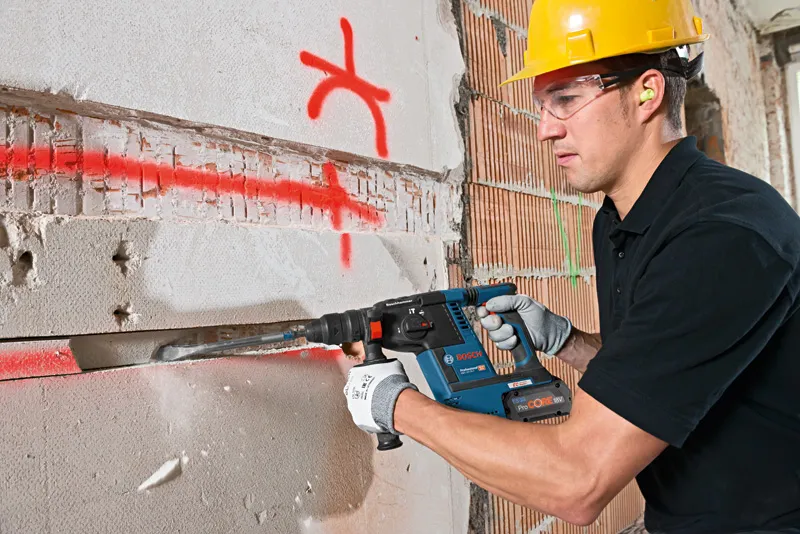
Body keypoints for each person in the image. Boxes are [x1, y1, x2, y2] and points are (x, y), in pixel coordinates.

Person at [341, 1, 800, 532]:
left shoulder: (720, 236)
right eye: (542, 105)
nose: (544, 129)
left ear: (647, 92)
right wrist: (568, 342)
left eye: (565, 99)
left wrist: (394, 404)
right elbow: (668, 372)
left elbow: (577, 481)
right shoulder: (621, 219)